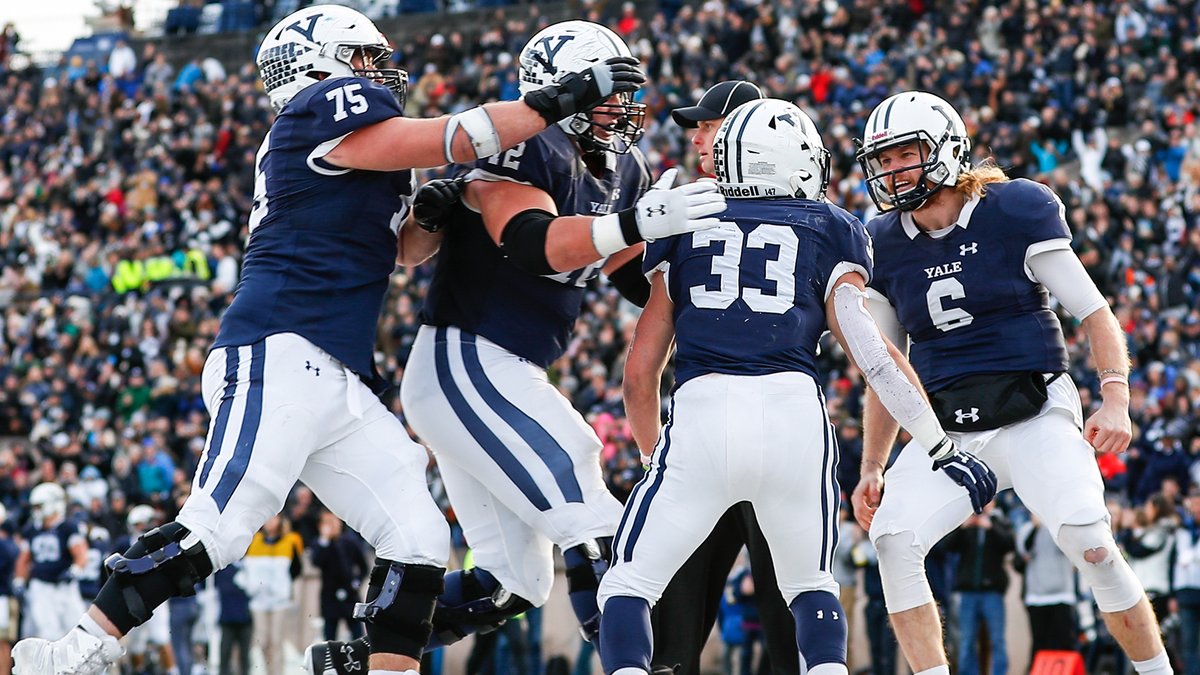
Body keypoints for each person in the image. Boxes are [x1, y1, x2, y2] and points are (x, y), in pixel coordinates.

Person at [11, 5, 651, 674]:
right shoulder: (320, 106)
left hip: (340, 371)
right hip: (279, 347)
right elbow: (460, 135)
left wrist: (435, 212)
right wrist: (561, 99)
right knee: (221, 525)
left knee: (420, 537)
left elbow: (403, 250)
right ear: (321, 62)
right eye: (367, 58)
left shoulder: (369, 144)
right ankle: (73, 650)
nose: (380, 71)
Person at [304, 19, 726, 675]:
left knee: (511, 582)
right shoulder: (526, 149)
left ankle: (351, 660)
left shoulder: (626, 168)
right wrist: (640, 222)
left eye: (622, 94)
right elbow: (537, 242)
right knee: (593, 515)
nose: (619, 108)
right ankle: (641, 665)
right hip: (466, 360)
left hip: (500, 370)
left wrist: (689, 262)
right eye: (603, 93)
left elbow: (628, 277)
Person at [598, 98, 994, 675]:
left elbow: (640, 373)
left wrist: (659, 454)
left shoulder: (683, 222)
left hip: (704, 407)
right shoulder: (831, 226)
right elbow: (874, 357)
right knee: (810, 586)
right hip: (794, 415)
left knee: (629, 585)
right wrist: (938, 443)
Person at [850, 90, 1172, 675]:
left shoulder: (1014, 208)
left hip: (1034, 411)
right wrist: (873, 464)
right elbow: (885, 367)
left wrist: (1115, 397)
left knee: (1091, 543)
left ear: (947, 149)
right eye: (884, 160)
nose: (893, 172)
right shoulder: (883, 242)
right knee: (894, 539)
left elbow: (1094, 311)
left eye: (906, 154)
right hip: (946, 432)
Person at [648, 79, 798, 675]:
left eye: (709, 127)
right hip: (783, 430)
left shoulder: (690, 214)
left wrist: (654, 454)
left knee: (675, 618)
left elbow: (643, 359)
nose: (698, 138)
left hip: (706, 431)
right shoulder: (809, 211)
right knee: (794, 608)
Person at [14, 483, 89, 641]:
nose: (36, 510)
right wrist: (20, 580)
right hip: (41, 586)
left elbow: (81, 554)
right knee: (48, 632)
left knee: (76, 628)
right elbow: (24, 558)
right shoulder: (31, 529)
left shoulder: (68, 527)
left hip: (64, 585)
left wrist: (74, 570)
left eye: (39, 506)